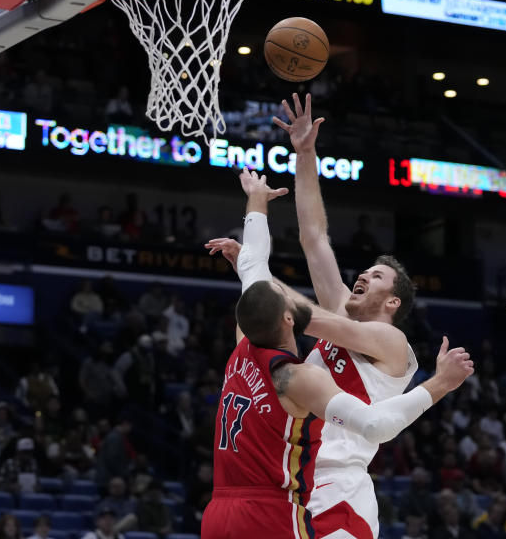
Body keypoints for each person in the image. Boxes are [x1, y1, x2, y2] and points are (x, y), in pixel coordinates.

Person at [201, 168, 475, 539]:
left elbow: (301, 317)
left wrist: (255, 275)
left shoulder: (391, 340)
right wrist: (304, 152)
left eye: (376, 276)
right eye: (364, 271)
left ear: (393, 301)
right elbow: (314, 238)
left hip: (339, 488)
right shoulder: (330, 328)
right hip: (296, 483)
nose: (363, 276)